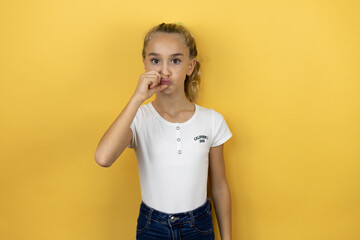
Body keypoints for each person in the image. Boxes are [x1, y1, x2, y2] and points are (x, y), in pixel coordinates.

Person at [94, 23, 232, 240]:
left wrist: (227, 238)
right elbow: (103, 158)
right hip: (153, 227)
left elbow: (220, 187)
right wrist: (138, 98)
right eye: (155, 60)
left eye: (175, 60)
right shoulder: (138, 118)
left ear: (190, 66)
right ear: (145, 64)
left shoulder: (212, 121)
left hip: (198, 226)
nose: (164, 70)